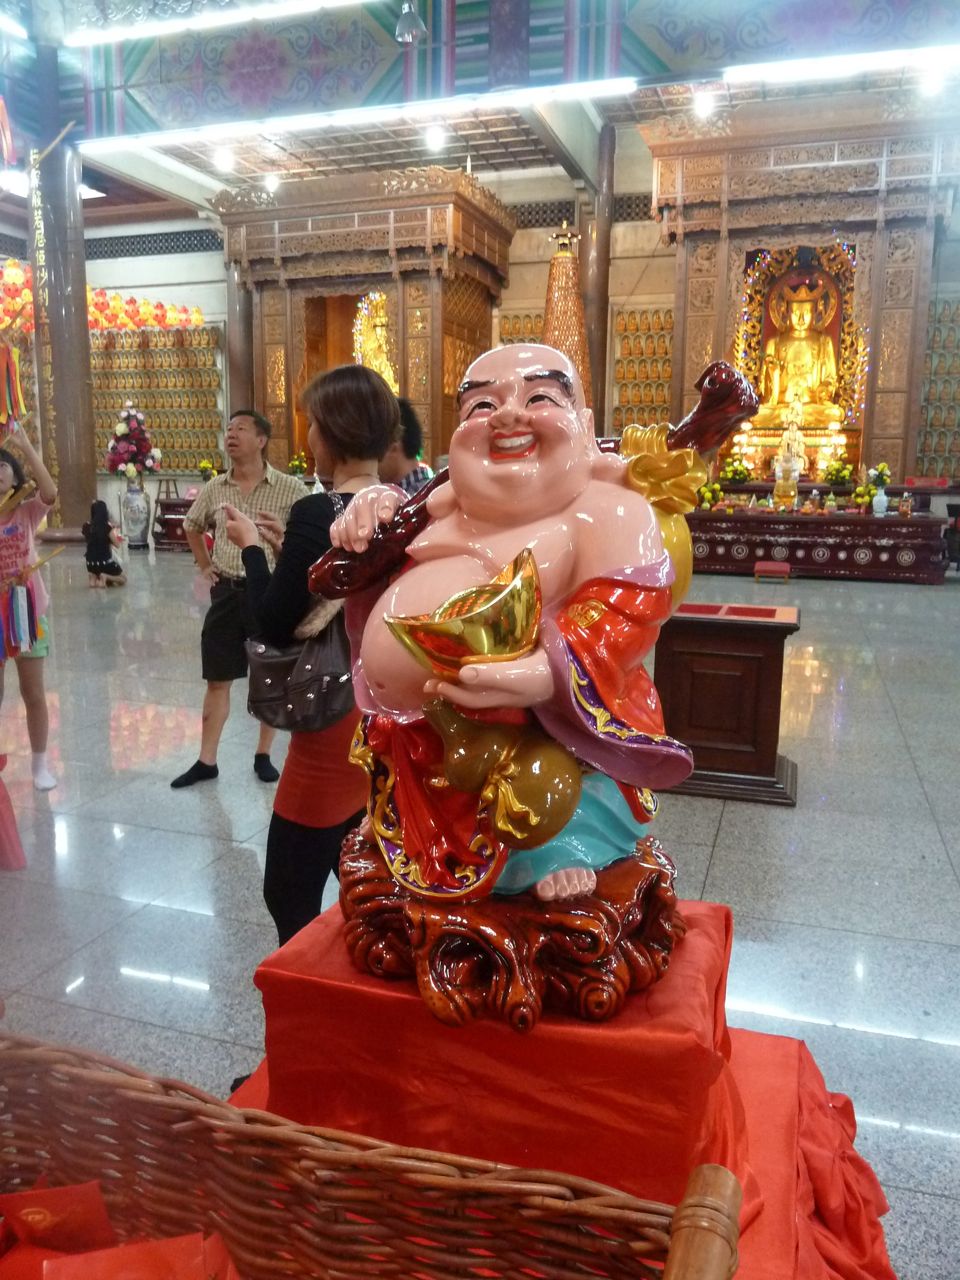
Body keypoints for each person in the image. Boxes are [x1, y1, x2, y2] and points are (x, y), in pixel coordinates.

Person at [329, 343, 694, 903]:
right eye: (481, 405)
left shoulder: (606, 508)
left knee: (547, 782)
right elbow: (376, 573)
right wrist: (373, 503)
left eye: (539, 397)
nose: (506, 415)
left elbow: (627, 610)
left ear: (585, 425)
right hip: (429, 729)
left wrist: (547, 672)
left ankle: (558, 848)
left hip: (543, 727)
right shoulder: (438, 504)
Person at [224, 366, 398, 945]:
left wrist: (252, 549)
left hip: (331, 713)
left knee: (288, 889)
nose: (310, 436)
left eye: (313, 424)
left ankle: (306, 983)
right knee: (359, 861)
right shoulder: (402, 505)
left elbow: (273, 622)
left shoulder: (319, 512)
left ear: (331, 433)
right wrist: (288, 551)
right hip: (381, 705)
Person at [173, 409, 306, 789]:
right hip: (227, 594)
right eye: (229, 429)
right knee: (217, 678)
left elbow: (302, 539)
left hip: (268, 593)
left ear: (261, 440)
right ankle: (206, 760)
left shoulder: (291, 488)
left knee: (270, 676)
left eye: (241, 429)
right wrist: (205, 565)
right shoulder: (216, 487)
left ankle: (263, 754)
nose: (231, 434)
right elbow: (192, 525)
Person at [0, 422, 58, 791]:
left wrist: (24, 444)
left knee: (33, 692)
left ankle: (40, 765)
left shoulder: (26, 512)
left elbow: (50, 492)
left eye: (3, 465)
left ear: (14, 475)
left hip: (27, 612)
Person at [378, 397, 433, 496]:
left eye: (373, 446)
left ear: (392, 444)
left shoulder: (413, 499)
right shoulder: (431, 491)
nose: (368, 460)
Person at [82, 499, 126, 587]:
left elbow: (92, 540)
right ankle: (106, 577)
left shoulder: (86, 526)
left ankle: (93, 579)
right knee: (123, 579)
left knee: (97, 570)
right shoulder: (107, 527)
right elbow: (117, 544)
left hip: (90, 564)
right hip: (104, 563)